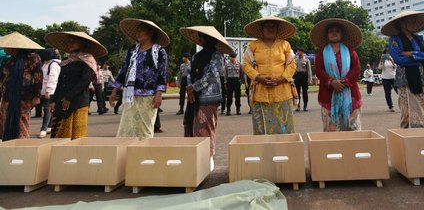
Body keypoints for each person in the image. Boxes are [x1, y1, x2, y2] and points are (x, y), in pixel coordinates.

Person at [180, 26, 233, 171]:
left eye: (202, 37)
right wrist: (190, 89)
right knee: (191, 125)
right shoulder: (196, 56)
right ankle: (194, 158)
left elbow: (212, 75)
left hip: (209, 97)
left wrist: (194, 87)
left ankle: (208, 159)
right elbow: (189, 72)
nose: (200, 39)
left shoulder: (217, 55)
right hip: (194, 97)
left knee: (206, 128)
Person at [109, 19, 169, 140]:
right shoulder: (132, 50)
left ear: (151, 32)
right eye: (137, 30)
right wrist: (115, 90)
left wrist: (159, 93)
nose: (138, 33)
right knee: (126, 129)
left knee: (144, 130)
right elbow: (123, 70)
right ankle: (127, 156)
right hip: (130, 96)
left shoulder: (159, 51)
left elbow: (162, 74)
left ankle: (144, 156)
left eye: (141, 30)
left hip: (148, 97)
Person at [382, 10, 424, 129]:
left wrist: (413, 54)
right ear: (402, 23)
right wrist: (422, 57)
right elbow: (399, 59)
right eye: (410, 21)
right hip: (406, 81)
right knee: (408, 113)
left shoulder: (421, 39)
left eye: (414, 21)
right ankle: (407, 138)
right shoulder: (395, 40)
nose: (413, 23)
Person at [45, 31, 106, 139]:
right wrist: (53, 100)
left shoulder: (87, 61)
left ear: (83, 43)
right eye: (69, 41)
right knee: (58, 135)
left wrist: (69, 97)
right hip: (61, 101)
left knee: (76, 136)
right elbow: (60, 82)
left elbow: (85, 81)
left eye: (74, 41)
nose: (70, 43)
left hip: (78, 102)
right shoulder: (67, 61)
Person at [243, 17, 297, 135]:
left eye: (273, 26)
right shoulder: (252, 46)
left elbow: (292, 63)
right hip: (260, 92)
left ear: (277, 29)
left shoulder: (285, 44)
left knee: (284, 128)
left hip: (282, 91)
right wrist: (258, 77)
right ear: (262, 29)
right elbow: (246, 64)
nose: (270, 29)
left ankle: (284, 151)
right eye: (267, 26)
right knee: (262, 129)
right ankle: (264, 152)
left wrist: (281, 79)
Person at [311, 18, 363, 132]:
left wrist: (344, 82)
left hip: (349, 92)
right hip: (328, 94)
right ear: (327, 35)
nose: (334, 33)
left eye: (337, 31)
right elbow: (319, 70)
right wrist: (331, 81)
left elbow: (356, 68)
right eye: (331, 31)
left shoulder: (350, 51)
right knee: (331, 129)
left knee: (352, 127)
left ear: (342, 34)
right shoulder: (321, 53)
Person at [0, 32, 43, 141]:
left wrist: (37, 96)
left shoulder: (32, 57)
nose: (4, 47)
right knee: (6, 123)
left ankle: (22, 148)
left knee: (21, 124)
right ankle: (9, 147)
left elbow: (38, 77)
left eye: (6, 45)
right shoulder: (9, 60)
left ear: (13, 47)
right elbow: (3, 79)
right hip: (8, 97)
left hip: (24, 97)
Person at [38, 48, 61, 138]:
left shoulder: (53, 64)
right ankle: (49, 126)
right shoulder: (46, 64)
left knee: (47, 109)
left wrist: (49, 90)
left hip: (51, 91)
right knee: (50, 109)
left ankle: (43, 128)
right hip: (45, 90)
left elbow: (53, 78)